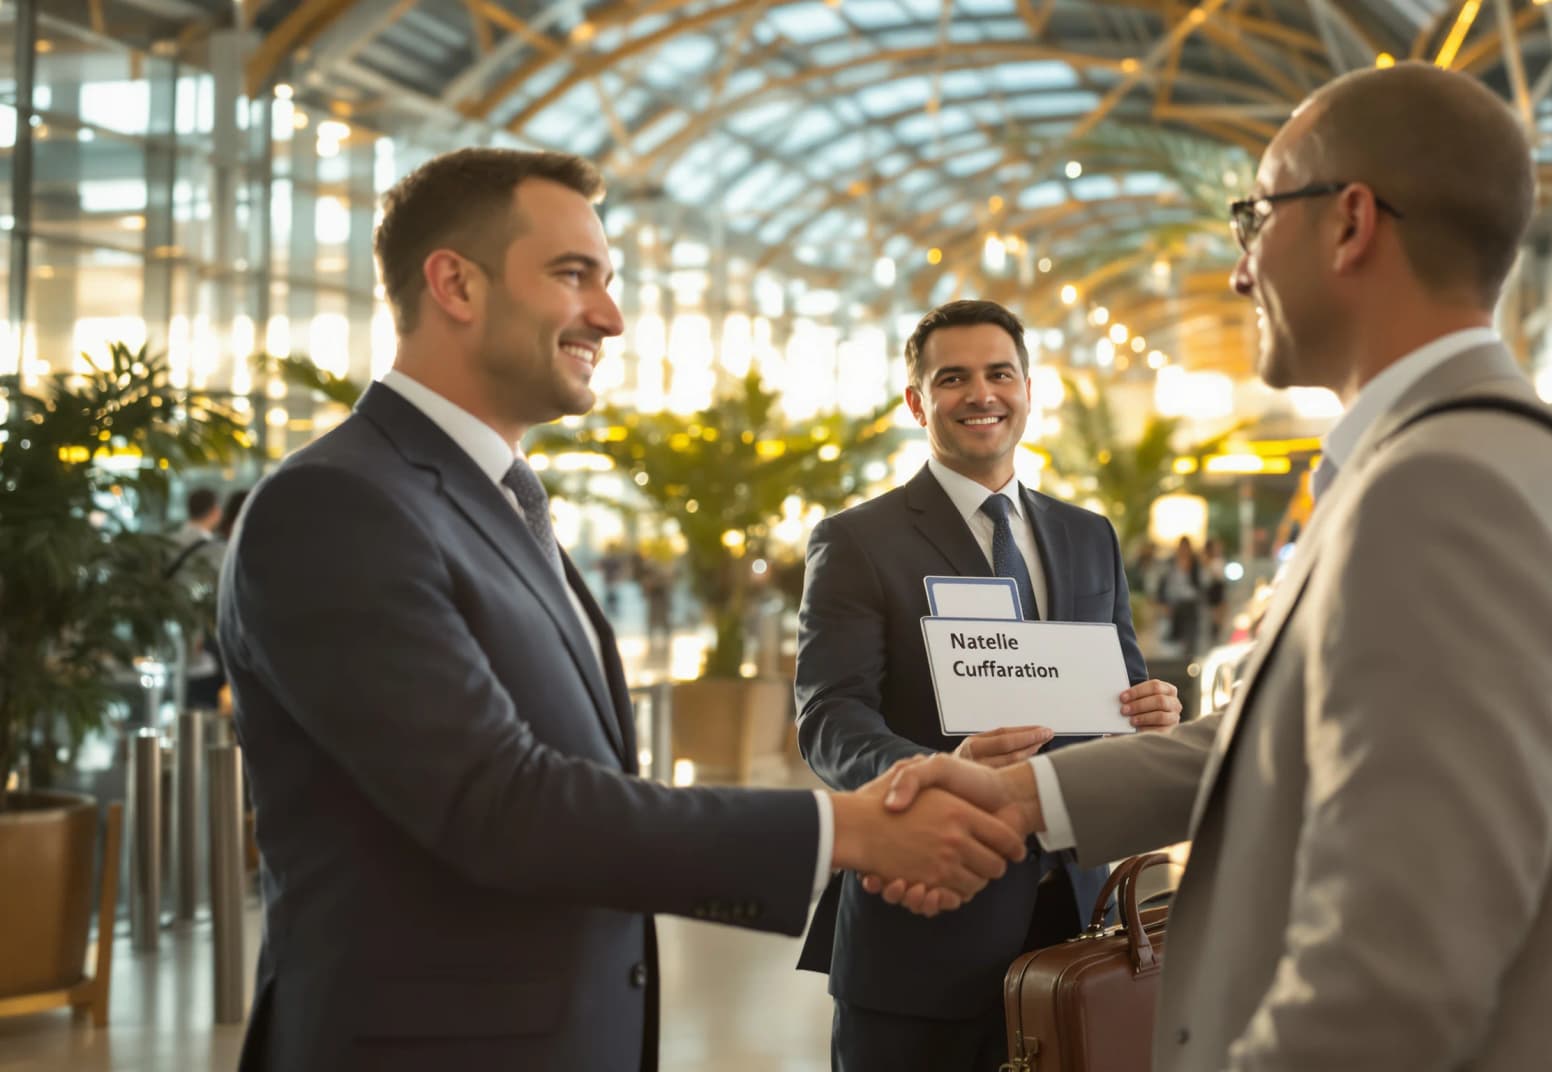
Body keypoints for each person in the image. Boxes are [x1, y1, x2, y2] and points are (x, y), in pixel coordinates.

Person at [871, 62, 1552, 1072]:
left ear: (1350, 223)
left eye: (1255, 217)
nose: (1242, 268)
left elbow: (1392, 976)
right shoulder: (1496, 458)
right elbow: (1276, 741)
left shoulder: (1446, 496)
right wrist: (1021, 798)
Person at [217, 148, 1026, 1072]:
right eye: (574, 276)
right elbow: (503, 805)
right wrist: (852, 830)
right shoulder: (338, 505)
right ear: (455, 284)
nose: (611, 315)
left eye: (609, 279)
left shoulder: (490, 499)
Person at [793, 298, 1183, 1072]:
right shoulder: (857, 541)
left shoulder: (1086, 533)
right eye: (954, 378)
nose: (982, 394)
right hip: (921, 924)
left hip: (1071, 920)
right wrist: (928, 774)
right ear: (917, 401)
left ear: (1028, 389)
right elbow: (830, 718)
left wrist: (1155, 709)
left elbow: (1122, 685)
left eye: (1000, 373)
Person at [170, 487, 227, 709]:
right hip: (201, 638)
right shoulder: (216, 550)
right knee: (203, 704)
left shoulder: (167, 542)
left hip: (171, 634)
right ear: (214, 511)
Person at [1156, 535, 1209, 660]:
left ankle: (1188, 660)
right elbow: (1162, 584)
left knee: (1190, 638)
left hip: (1191, 605)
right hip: (1174, 605)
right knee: (1173, 639)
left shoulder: (1196, 564)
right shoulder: (1170, 563)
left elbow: (1202, 584)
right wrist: (1163, 603)